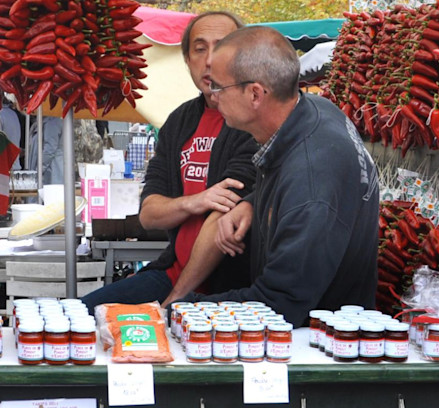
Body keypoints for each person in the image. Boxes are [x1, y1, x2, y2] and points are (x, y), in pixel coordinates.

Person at [173, 26, 379, 327]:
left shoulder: (311, 179)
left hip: (313, 347)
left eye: (218, 87)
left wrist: (179, 310)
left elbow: (279, 305)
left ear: (255, 94)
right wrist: (252, 202)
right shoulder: (314, 111)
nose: (212, 97)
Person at [81, 11, 258, 310]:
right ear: (187, 61)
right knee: (82, 314)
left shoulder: (251, 118)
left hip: (228, 285)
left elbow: (225, 213)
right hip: (170, 273)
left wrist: (174, 302)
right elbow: (149, 214)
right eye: (199, 49)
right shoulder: (179, 121)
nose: (210, 59)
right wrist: (196, 201)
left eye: (222, 45)